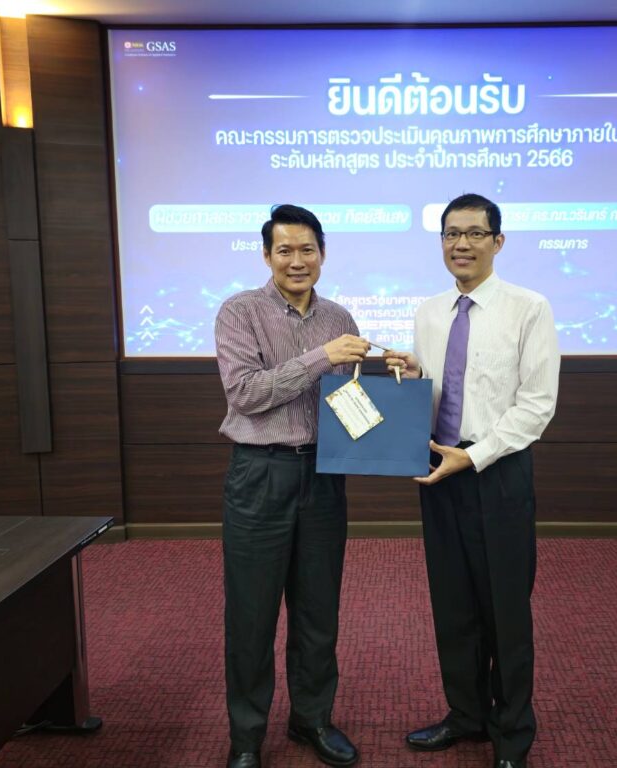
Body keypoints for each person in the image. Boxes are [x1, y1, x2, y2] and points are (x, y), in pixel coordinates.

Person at [383, 194, 560, 768]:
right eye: (451, 234)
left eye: (475, 233)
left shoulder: (529, 308)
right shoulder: (430, 312)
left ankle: (512, 734)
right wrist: (415, 377)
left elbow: (537, 405)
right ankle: (466, 716)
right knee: (453, 604)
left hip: (497, 471)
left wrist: (475, 456)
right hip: (441, 470)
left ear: (497, 242)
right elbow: (439, 392)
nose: (461, 244)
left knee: (504, 609)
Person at [215, 204, 369, 768]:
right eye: (285, 250)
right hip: (260, 474)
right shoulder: (240, 312)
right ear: (267, 255)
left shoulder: (340, 317)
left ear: (322, 254)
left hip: (324, 476)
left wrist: (404, 375)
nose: (297, 260)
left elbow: (348, 402)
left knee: (318, 612)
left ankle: (312, 719)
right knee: (252, 616)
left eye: (307, 249)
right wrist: (320, 357)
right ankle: (247, 738)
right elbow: (247, 394)